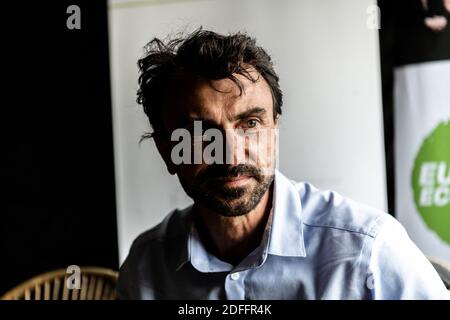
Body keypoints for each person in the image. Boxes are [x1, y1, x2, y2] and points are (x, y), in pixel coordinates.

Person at [117, 28, 449, 299]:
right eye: (200, 134)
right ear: (166, 150)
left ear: (274, 130)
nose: (231, 156)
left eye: (250, 124)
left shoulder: (368, 251)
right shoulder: (146, 268)